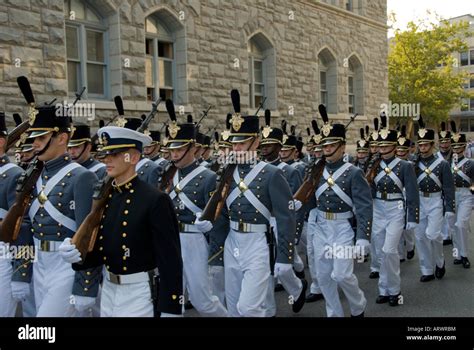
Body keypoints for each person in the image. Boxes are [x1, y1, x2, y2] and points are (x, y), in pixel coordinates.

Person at [60, 126, 183, 317]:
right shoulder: (106, 197)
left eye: (115, 154)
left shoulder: (154, 199)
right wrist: (78, 254)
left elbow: (170, 258)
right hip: (109, 289)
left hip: (140, 292)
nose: (107, 159)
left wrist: (171, 306)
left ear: (133, 158)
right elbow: (104, 248)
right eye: (105, 154)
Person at [11, 102, 98, 317]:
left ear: (62, 138)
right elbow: (24, 227)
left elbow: (88, 236)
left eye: (41, 138)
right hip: (39, 263)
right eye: (35, 138)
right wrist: (21, 273)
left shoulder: (82, 177)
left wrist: (85, 285)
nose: (36, 144)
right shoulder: (34, 176)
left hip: (65, 267)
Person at [307, 106, 372, 317]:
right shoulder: (316, 169)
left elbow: (363, 207)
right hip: (321, 228)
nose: (326, 149)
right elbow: (308, 199)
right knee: (324, 277)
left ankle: (358, 304)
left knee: (342, 275)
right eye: (324, 144)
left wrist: (363, 237)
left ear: (342, 147)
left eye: (332, 144)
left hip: (343, 229)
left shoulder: (353, 173)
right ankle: (334, 313)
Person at [163, 101, 228, 317]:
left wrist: (215, 254)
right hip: (171, 239)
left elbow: (218, 220)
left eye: (179, 149)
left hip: (195, 241)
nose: (174, 154)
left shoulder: (208, 177)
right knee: (170, 301)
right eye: (171, 149)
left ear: (192, 148)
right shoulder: (166, 174)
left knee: (203, 301)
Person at [369, 117, 419, 307]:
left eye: (385, 146)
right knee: (381, 252)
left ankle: (395, 290)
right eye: (379, 146)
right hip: (377, 207)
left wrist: (412, 216)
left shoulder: (404, 166)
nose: (381, 149)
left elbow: (412, 192)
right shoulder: (374, 164)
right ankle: (384, 289)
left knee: (390, 250)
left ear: (393, 146)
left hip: (396, 208)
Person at [414, 117, 455, 282]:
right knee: (420, 236)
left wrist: (450, 208)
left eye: (425, 145)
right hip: (419, 201)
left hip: (435, 201)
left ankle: (440, 261)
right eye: (420, 145)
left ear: (432, 145)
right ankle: (427, 270)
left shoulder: (442, 164)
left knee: (433, 234)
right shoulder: (414, 163)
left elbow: (448, 188)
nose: (422, 148)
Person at [449, 124, 472, 269]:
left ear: (464, 147)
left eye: (459, 147)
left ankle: (464, 255)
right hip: (452, 195)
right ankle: (457, 253)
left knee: (461, 224)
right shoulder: (446, 164)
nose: (456, 149)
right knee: (453, 226)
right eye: (454, 147)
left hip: (466, 195)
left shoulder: (471, 163)